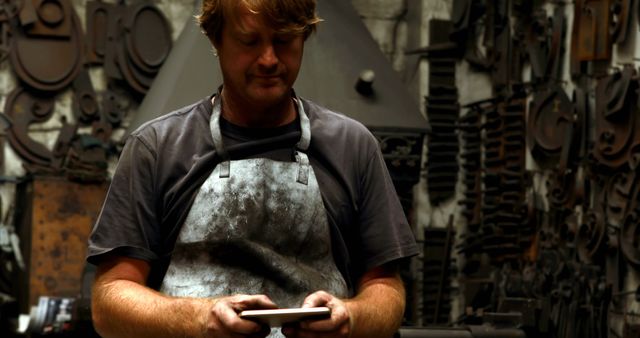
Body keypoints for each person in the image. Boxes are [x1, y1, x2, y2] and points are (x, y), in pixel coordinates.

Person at [87, 0, 419, 337]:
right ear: (216, 40)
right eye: (249, 41)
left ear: (304, 36)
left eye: (284, 40)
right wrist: (200, 317)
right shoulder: (156, 148)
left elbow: (387, 289)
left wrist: (352, 316)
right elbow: (109, 301)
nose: (269, 60)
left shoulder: (354, 147)